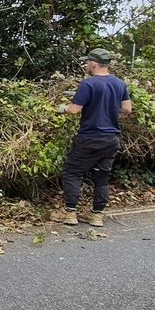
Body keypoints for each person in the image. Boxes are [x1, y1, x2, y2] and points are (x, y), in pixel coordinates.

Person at [56, 48, 132, 227]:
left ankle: (70, 213)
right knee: (101, 175)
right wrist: (110, 111)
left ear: (94, 64)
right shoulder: (119, 83)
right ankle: (96, 215)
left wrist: (62, 109)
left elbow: (75, 110)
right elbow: (128, 109)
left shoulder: (88, 84)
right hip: (111, 139)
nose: (87, 65)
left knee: (73, 172)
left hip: (90, 137)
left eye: (88, 62)